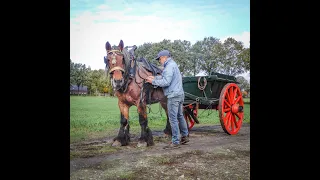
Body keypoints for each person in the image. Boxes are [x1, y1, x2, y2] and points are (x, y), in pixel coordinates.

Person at [146, 50, 189, 149]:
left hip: (173, 95)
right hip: (179, 94)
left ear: (164, 57)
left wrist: (153, 81)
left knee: (173, 119)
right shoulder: (173, 65)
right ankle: (185, 136)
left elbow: (166, 82)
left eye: (159, 59)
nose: (159, 61)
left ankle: (175, 141)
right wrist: (156, 78)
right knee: (180, 116)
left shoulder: (168, 67)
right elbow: (167, 77)